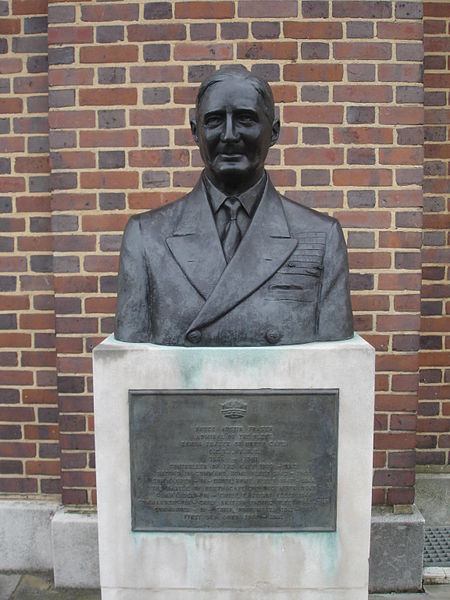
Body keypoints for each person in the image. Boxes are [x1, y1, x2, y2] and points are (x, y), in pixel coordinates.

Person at [114, 65, 353, 346]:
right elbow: (131, 358)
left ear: (274, 131)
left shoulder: (322, 237)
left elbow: (332, 363)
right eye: (214, 120)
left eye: (245, 119)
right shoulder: (146, 236)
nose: (229, 135)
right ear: (195, 131)